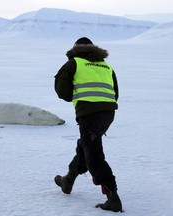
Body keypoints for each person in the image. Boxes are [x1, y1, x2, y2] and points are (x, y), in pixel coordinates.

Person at [54, 37, 122, 212]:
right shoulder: (106, 66)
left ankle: (113, 198)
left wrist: (77, 95)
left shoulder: (74, 63)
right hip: (108, 114)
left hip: (89, 113)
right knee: (87, 145)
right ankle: (68, 180)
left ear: (76, 49)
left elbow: (62, 92)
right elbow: (115, 92)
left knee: (94, 155)